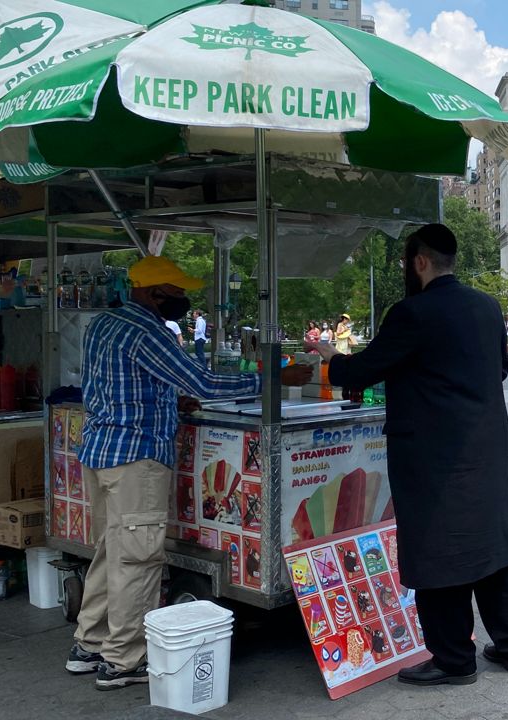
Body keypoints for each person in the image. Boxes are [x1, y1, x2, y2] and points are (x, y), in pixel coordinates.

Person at [67, 256, 311, 690]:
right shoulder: (147, 330)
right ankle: (123, 661)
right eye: (177, 294)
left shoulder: (106, 323)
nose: (183, 300)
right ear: (151, 292)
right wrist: (273, 376)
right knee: (138, 559)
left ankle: (90, 644)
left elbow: (118, 385)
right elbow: (206, 384)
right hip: (134, 458)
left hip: (100, 452)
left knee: (111, 552)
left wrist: (165, 403)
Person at [306, 224, 508, 687]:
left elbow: (365, 369)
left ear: (420, 262)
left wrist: (331, 355)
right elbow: (499, 369)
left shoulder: (412, 313)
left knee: (437, 549)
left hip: (433, 455)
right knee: (491, 544)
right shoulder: (488, 306)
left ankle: (453, 659)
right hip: (487, 448)